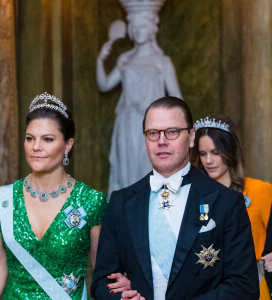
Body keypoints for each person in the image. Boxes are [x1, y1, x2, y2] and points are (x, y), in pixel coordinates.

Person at [91, 96, 259, 300]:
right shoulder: (121, 202)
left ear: (190, 137)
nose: (162, 141)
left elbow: (244, 285)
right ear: (145, 140)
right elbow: (101, 282)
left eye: (172, 132)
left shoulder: (226, 201)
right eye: (153, 133)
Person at [0, 92, 129, 299]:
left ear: (68, 145)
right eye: (30, 138)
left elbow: (105, 276)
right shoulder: (3, 200)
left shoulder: (91, 201)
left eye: (47, 139)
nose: (36, 147)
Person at [97, 11, 182, 196]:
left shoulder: (162, 62)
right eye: (134, 27)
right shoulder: (125, 60)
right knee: (125, 172)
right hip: (126, 124)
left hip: (154, 127)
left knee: (149, 169)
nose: (137, 31)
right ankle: (125, 216)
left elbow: (177, 100)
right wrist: (100, 60)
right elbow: (104, 85)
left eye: (142, 26)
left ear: (152, 29)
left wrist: (179, 132)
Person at [192, 115, 272, 300]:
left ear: (230, 150)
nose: (208, 160)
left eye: (215, 152)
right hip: (206, 291)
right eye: (203, 154)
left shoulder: (261, 191)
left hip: (252, 289)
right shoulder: (193, 197)